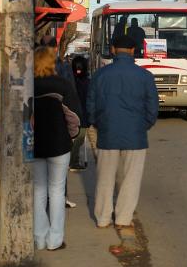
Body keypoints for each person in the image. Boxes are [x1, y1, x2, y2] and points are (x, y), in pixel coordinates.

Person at [88, 35, 158, 229]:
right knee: (130, 180)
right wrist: (142, 126)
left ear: (112, 50)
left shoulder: (100, 75)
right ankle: (123, 219)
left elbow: (91, 106)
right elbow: (152, 109)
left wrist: (98, 124)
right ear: (134, 51)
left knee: (104, 178)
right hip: (135, 136)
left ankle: (102, 218)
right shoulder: (145, 76)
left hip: (107, 134)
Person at [33, 47, 82, 251]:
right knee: (56, 191)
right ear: (52, 63)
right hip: (59, 145)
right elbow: (74, 116)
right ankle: (55, 240)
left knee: (38, 191)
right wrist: (71, 136)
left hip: (34, 145)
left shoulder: (28, 85)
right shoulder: (63, 85)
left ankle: (39, 237)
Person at [40, 35, 78, 208]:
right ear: (56, 48)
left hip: (38, 127)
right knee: (59, 176)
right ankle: (61, 199)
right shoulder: (63, 67)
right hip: (59, 127)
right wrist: (72, 132)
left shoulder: (33, 66)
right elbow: (72, 99)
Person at [70, 56, 90, 171]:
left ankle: (73, 160)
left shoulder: (70, 80)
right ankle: (73, 161)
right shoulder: (86, 82)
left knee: (79, 138)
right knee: (79, 138)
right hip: (80, 116)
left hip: (77, 114)